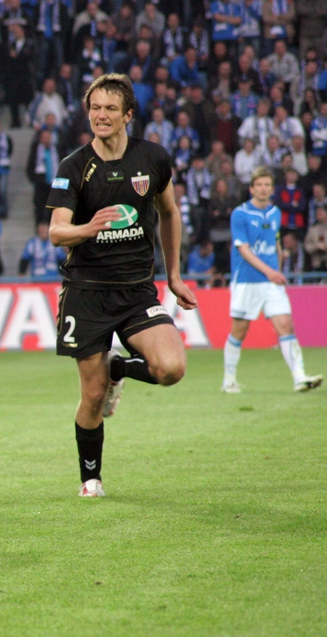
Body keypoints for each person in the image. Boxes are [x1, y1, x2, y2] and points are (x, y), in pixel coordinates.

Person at [46, 73, 198, 498]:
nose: (101, 115)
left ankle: (119, 367)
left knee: (171, 369)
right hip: (87, 292)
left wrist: (174, 276)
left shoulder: (153, 159)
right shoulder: (73, 167)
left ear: (128, 114)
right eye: (95, 108)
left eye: (110, 108)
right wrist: (88, 227)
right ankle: (90, 479)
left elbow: (169, 213)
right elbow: (56, 231)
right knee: (93, 396)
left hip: (136, 291)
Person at [221, 166, 322, 394]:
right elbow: (244, 250)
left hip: (271, 282)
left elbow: (275, 242)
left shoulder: (275, 212)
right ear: (252, 188)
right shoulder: (240, 214)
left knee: (285, 325)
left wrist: (278, 268)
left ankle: (299, 377)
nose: (263, 189)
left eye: (267, 185)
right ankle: (228, 380)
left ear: (272, 189)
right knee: (239, 330)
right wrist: (271, 272)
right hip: (246, 281)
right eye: (259, 185)